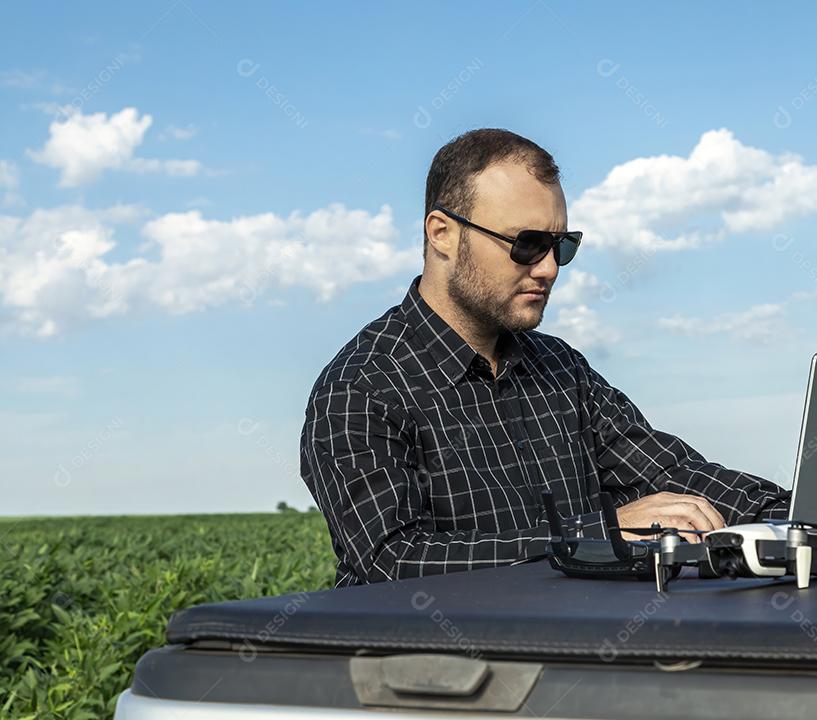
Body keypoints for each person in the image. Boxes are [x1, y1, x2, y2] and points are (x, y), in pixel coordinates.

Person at [300, 128, 790, 586]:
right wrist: (590, 535)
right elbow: (394, 560)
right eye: (527, 244)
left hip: (584, 658)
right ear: (442, 233)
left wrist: (801, 511)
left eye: (561, 245)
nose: (550, 268)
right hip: (455, 671)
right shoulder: (360, 387)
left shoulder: (562, 370)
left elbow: (669, 476)